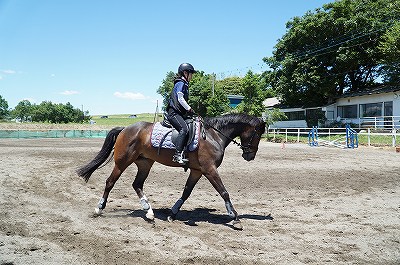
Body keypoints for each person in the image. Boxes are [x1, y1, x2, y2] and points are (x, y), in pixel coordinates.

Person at [166, 63, 196, 164]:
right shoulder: (181, 83)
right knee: (184, 129)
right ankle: (177, 154)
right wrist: (189, 108)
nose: (192, 77)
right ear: (185, 73)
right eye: (191, 74)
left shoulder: (185, 84)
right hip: (173, 113)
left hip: (179, 113)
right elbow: (180, 98)